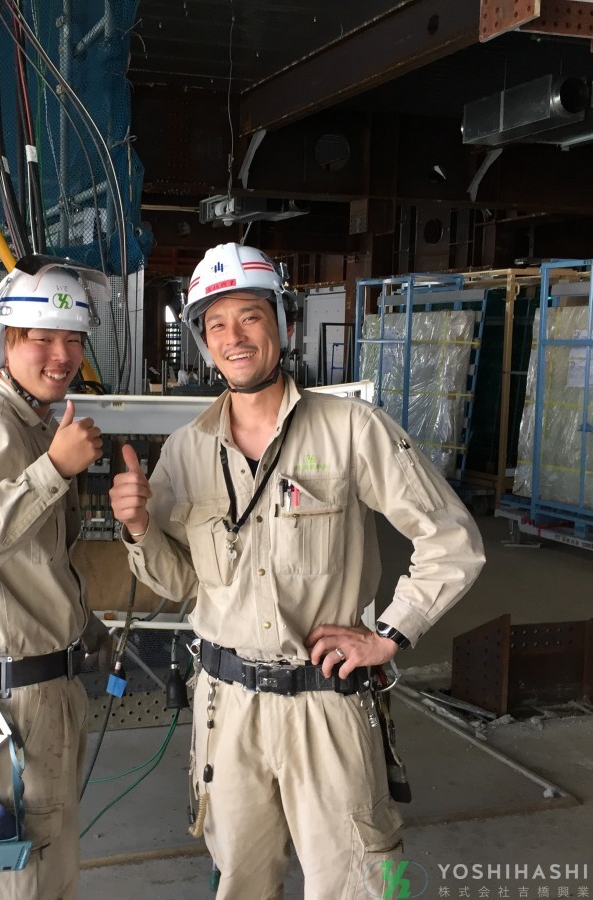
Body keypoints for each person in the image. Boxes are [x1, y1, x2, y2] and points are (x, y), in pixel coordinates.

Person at [109, 242, 485, 900]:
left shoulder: (352, 429)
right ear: (203, 341)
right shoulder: (186, 452)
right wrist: (139, 527)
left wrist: (390, 634)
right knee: (242, 882)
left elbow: (452, 539)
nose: (234, 337)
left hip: (326, 706)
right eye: (217, 324)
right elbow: (183, 583)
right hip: (228, 711)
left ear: (282, 324)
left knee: (364, 883)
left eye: (250, 317)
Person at [0, 254, 113, 900]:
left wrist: (85, 626)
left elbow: (36, 560)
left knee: (47, 871)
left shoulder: (35, 425)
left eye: (73, 339)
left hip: (44, 689)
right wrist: (55, 470)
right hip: (13, 701)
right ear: (0, 345)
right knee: (14, 876)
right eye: (42, 338)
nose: (62, 356)